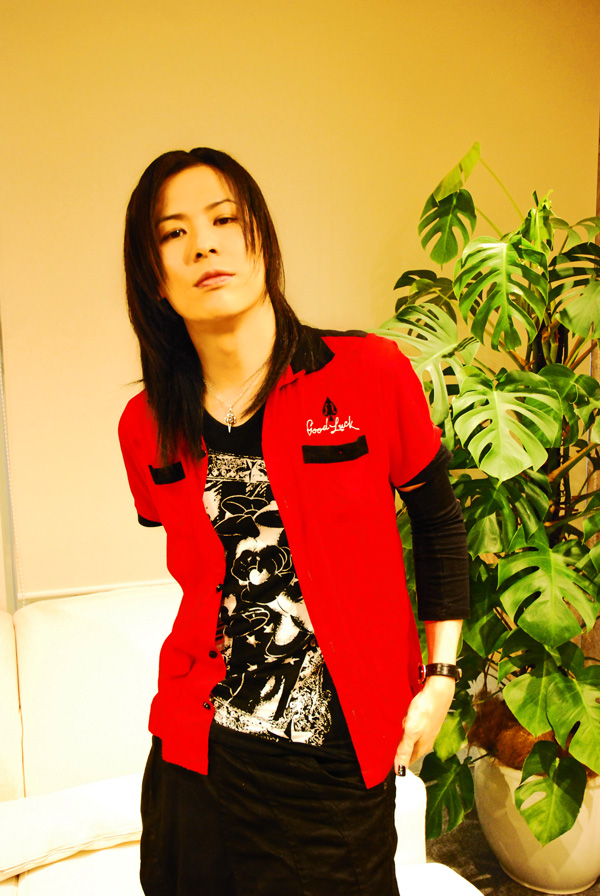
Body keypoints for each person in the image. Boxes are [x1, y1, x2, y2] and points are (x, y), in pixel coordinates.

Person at [119, 147, 470, 896]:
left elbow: (439, 523)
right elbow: (199, 573)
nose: (203, 245)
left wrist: (440, 677)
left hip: (334, 753)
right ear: (153, 273)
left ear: (260, 238)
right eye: (173, 233)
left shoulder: (368, 374)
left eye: (223, 220)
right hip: (195, 749)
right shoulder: (144, 425)